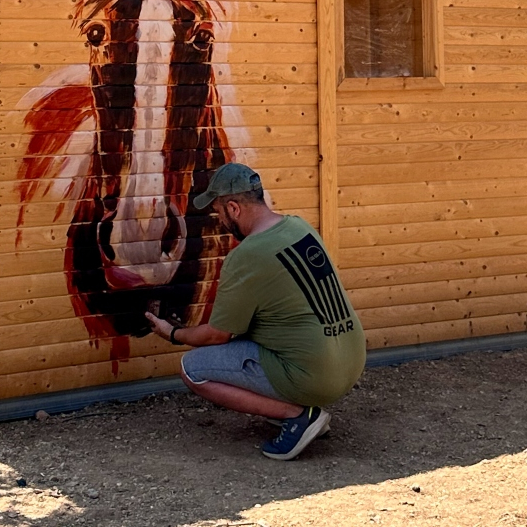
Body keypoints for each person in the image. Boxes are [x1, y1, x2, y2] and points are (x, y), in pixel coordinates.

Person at [146, 162, 366, 460]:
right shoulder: (299, 227)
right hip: (350, 361)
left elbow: (216, 336)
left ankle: (299, 416)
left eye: (218, 212)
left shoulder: (247, 255)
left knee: (193, 369)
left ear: (233, 208)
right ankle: (301, 406)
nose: (220, 220)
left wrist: (172, 333)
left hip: (317, 376)